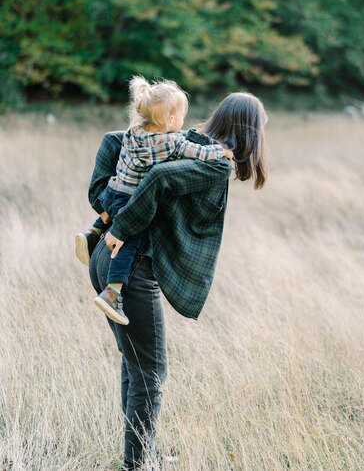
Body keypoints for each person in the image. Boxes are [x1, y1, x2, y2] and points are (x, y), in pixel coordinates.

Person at [88, 91, 267, 470]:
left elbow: (115, 143)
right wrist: (123, 225)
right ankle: (137, 465)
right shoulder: (212, 161)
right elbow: (157, 178)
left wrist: (110, 211)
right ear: (251, 132)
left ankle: (141, 454)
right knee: (151, 373)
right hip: (130, 264)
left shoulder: (183, 143)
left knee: (136, 366)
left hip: (107, 256)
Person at [76, 76, 233, 325]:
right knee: (130, 238)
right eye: (181, 117)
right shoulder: (170, 141)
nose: (182, 123)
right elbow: (198, 152)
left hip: (115, 190)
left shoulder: (133, 132)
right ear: (170, 120)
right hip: (131, 200)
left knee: (114, 205)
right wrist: (221, 152)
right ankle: (113, 291)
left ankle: (93, 231)